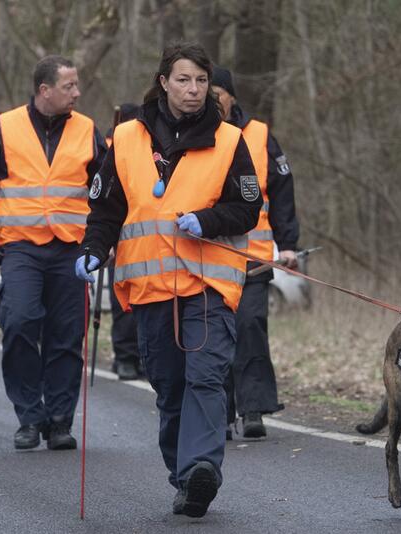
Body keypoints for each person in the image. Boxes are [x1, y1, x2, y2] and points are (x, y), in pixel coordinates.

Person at [75, 42, 261, 518]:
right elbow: (106, 211)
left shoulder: (229, 140)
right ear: (163, 82)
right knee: (171, 388)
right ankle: (184, 476)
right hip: (150, 291)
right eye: (184, 80)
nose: (194, 90)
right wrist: (94, 251)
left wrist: (209, 219)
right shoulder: (126, 139)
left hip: (208, 287)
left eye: (201, 81)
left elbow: (246, 208)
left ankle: (201, 468)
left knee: (206, 377)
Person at [0, 55, 107, 451]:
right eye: (69, 86)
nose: (77, 92)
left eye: (76, 85)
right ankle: (29, 416)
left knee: (67, 336)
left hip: (72, 248)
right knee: (19, 322)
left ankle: (58, 422)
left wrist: (105, 241)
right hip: (21, 247)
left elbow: (110, 193)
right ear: (44, 90)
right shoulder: (3, 129)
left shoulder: (88, 131)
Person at [211, 67, 300, 440]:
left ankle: (253, 410)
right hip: (211, 259)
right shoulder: (197, 134)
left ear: (232, 96)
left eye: (217, 92)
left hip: (255, 257)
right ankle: (220, 411)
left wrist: (289, 243)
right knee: (217, 336)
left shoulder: (261, 135)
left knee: (250, 328)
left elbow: (281, 191)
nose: (212, 98)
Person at [104, 103, 143, 381]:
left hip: (145, 238)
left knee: (145, 303)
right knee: (123, 302)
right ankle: (125, 356)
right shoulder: (109, 147)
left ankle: (139, 356)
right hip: (117, 238)